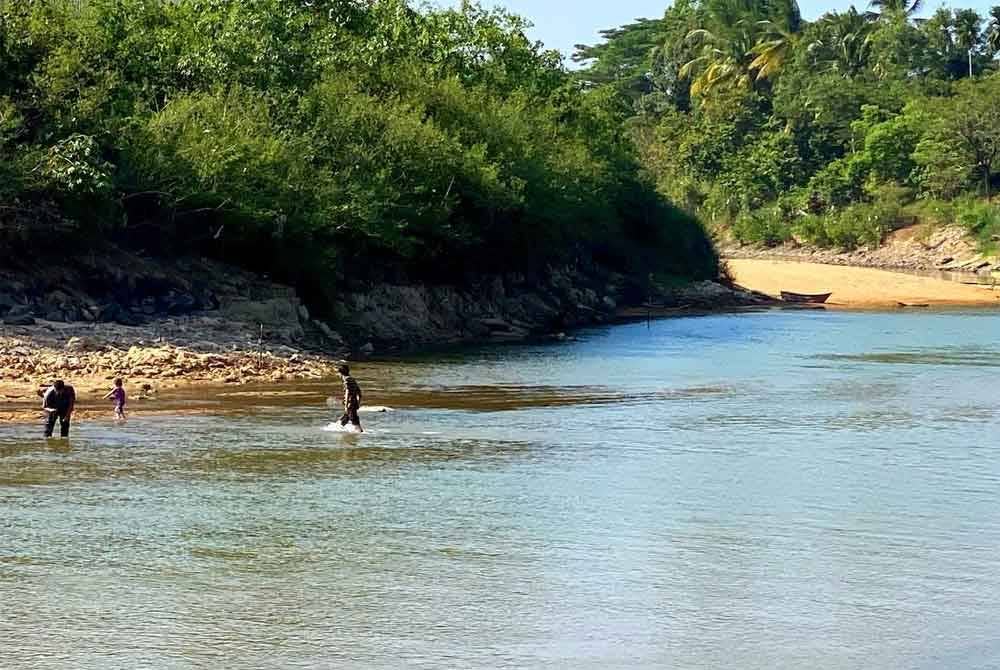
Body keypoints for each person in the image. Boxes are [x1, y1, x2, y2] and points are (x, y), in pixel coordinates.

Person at [336, 364, 363, 432]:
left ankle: (360, 432)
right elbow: (359, 393)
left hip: (350, 403)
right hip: (354, 403)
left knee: (354, 419)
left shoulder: (346, 380)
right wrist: (358, 403)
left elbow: (347, 392)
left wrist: (346, 405)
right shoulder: (352, 379)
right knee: (346, 418)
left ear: (340, 373)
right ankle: (338, 428)